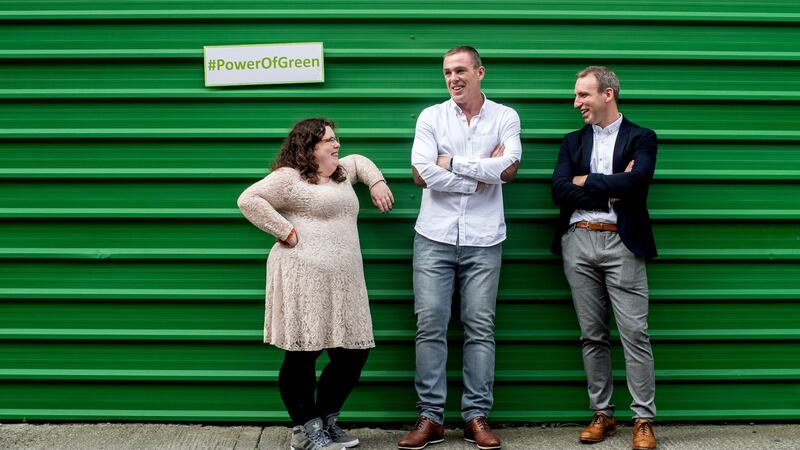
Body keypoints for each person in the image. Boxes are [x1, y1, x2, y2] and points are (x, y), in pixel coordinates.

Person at [237, 118, 394, 450]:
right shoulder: (289, 178)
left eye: (336, 139)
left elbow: (361, 162)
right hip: (302, 276)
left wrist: (377, 182)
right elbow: (249, 200)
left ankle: (325, 420)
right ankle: (304, 430)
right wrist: (286, 231)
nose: (337, 145)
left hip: (344, 279)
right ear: (308, 147)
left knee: (354, 351)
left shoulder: (341, 171)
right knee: (303, 352)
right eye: (328, 141)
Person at [398, 45, 522, 450]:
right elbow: (419, 173)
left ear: (480, 72)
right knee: (430, 324)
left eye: (461, 71)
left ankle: (475, 417)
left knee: (480, 327)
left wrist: (450, 163)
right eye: (448, 72)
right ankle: (431, 417)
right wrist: (478, 175)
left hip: (485, 239)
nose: (453, 78)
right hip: (433, 236)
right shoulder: (430, 117)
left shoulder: (505, 117)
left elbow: (510, 168)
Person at [550, 66, 658, 450]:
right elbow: (559, 191)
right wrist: (610, 189)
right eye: (576, 95)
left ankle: (643, 418)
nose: (576, 102)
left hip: (622, 243)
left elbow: (637, 182)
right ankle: (603, 415)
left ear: (607, 94)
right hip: (578, 242)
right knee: (592, 335)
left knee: (635, 334)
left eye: (583, 95)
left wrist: (587, 181)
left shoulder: (642, 138)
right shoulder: (572, 142)